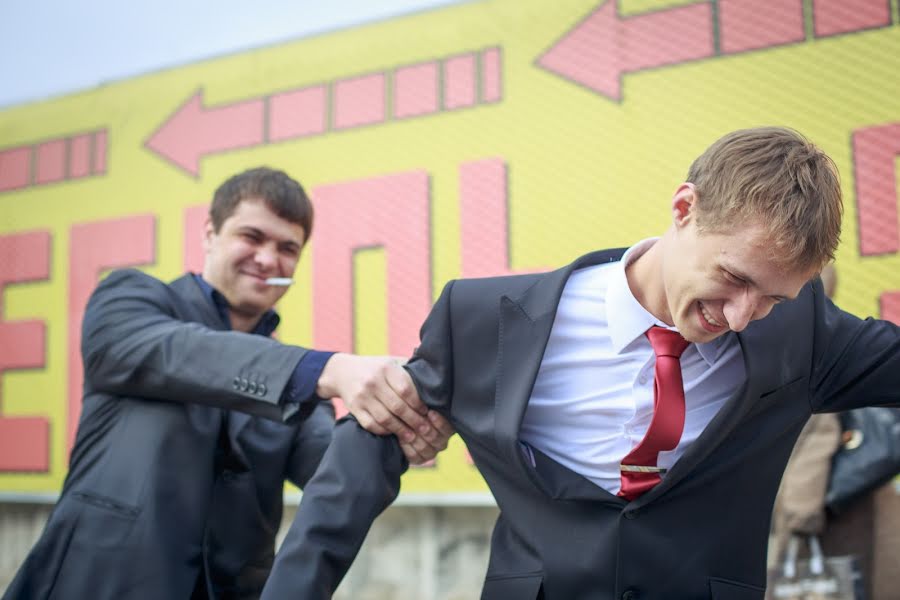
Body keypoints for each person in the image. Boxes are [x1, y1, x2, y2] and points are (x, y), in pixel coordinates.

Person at [260, 127, 900, 600]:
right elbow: (362, 463)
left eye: (772, 298)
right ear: (685, 209)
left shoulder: (802, 333)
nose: (740, 316)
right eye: (732, 278)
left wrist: (775, 306)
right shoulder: (484, 318)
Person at [3, 167, 453, 600]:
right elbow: (184, 354)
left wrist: (408, 419)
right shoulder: (130, 302)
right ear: (209, 233)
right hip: (97, 583)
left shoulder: (302, 385)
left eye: (287, 248)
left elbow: (331, 470)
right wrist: (328, 369)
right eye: (251, 237)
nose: (267, 258)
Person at [770, 263, 900, 599]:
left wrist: (799, 519)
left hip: (829, 515)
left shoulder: (805, 352)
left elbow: (817, 436)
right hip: (856, 504)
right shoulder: (832, 342)